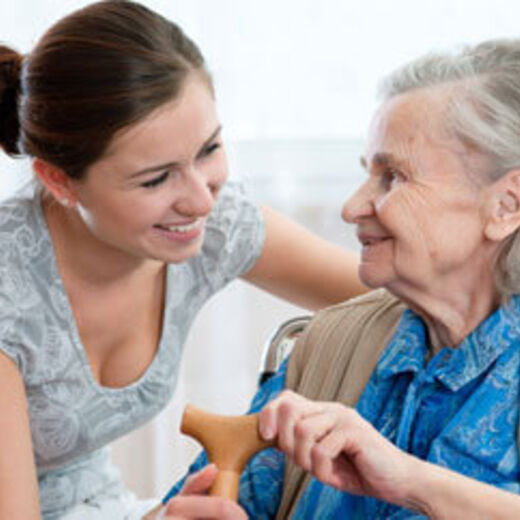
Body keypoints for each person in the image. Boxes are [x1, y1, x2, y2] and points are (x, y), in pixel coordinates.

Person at [0, 2, 367, 519]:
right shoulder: (7, 292)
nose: (200, 199)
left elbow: (390, 292)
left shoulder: (212, 221)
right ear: (58, 180)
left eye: (209, 149)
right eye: (155, 179)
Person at [161, 38, 520, 519]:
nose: (352, 208)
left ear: (506, 206)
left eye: (393, 177)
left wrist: (412, 482)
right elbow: (200, 505)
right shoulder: (333, 344)